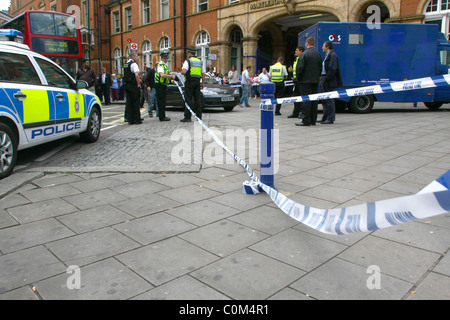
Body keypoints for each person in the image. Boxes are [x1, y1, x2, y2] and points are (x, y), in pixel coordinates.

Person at [295, 37, 322, 127]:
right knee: (314, 100)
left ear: (307, 44)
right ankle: (313, 120)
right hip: (315, 80)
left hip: (305, 81)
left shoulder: (304, 54)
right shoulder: (318, 54)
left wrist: (299, 79)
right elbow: (320, 68)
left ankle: (306, 120)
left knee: (306, 101)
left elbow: (299, 69)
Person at [320, 41, 343, 124]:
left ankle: (330, 118)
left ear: (327, 47)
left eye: (323, 46)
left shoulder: (333, 55)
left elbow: (332, 69)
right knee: (325, 100)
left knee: (329, 99)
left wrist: (326, 79)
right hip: (324, 78)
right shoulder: (327, 55)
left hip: (327, 80)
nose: (322, 47)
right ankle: (325, 117)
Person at [180, 47, 206, 122]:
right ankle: (199, 116)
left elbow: (184, 71)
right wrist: (203, 83)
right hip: (197, 82)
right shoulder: (200, 62)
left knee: (188, 99)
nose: (187, 54)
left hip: (189, 82)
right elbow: (203, 73)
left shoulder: (188, 61)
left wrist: (181, 72)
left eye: (188, 53)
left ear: (190, 53)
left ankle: (187, 117)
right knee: (198, 99)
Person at [155, 51, 176, 121]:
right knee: (161, 101)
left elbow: (165, 76)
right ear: (163, 58)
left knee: (163, 101)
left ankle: (163, 115)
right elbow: (162, 75)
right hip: (160, 85)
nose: (167, 59)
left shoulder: (164, 65)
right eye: (166, 58)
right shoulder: (160, 65)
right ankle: (162, 116)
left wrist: (170, 80)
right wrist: (171, 76)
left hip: (163, 85)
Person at [123, 51, 142, 125]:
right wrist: (138, 82)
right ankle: (137, 119)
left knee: (129, 102)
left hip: (127, 85)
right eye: (136, 56)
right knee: (136, 102)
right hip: (133, 85)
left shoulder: (125, 64)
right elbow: (136, 75)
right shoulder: (134, 64)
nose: (137, 58)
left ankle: (130, 119)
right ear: (133, 56)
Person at [288, 46, 304, 119]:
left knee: (301, 97)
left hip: (300, 80)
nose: (295, 52)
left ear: (301, 51)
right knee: (296, 96)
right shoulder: (297, 59)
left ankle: (300, 112)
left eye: (297, 50)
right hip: (296, 80)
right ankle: (295, 112)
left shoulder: (302, 58)